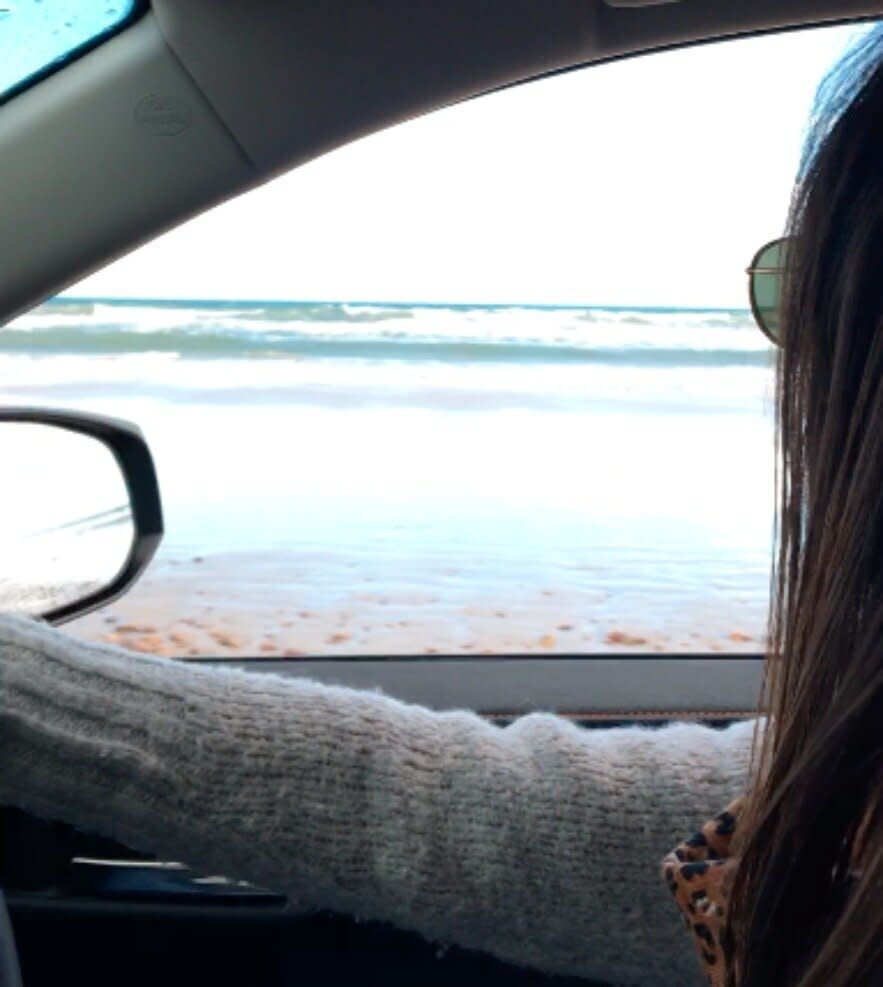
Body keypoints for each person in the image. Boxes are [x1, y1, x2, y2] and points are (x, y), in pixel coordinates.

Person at [1, 23, 881, 987]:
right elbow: (477, 820)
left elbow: (458, 822)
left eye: (817, 297)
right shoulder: (845, 819)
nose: (797, 359)